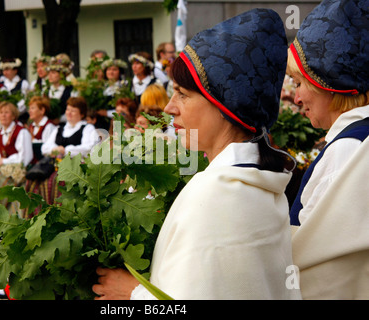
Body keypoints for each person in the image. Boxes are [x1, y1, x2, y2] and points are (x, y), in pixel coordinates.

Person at [92, 8, 301, 300]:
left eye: (183, 94)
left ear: (225, 108)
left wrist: (133, 294)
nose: (169, 107)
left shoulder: (216, 193)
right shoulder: (260, 182)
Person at [287, 0, 369, 300]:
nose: (296, 98)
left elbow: (321, 273)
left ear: (329, 83)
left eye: (299, 83)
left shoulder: (348, 151)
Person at [0, 101, 33, 213]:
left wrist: (3, 161)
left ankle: (0, 213)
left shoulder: (22, 132)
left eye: (7, 112)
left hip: (18, 172)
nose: (3, 115)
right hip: (4, 169)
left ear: (13, 115)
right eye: (1, 112)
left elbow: (24, 158)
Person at [27, 95, 57, 163]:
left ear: (42, 110)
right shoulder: (32, 126)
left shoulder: (49, 126)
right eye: (29, 108)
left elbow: (48, 149)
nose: (29, 111)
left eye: (32, 108)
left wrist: (32, 140)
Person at [45, 57, 73, 122]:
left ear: (61, 75)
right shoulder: (47, 90)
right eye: (49, 72)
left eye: (53, 73)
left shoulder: (70, 90)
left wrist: (59, 119)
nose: (50, 75)